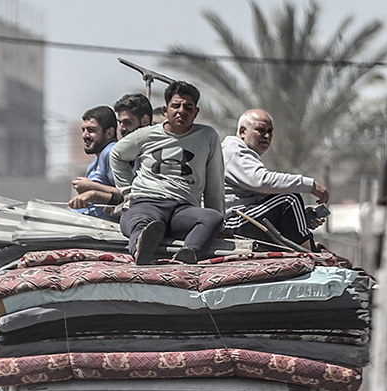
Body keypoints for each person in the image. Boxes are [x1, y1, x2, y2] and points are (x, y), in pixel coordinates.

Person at [105, 80, 225, 265]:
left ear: (196, 113)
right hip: (147, 202)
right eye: (176, 106)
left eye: (188, 107)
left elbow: (214, 183)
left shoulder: (207, 136)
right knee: (139, 223)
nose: (181, 111)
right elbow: (117, 154)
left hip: (183, 209)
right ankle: (140, 249)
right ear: (165, 110)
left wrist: (217, 222)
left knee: (212, 218)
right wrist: (127, 190)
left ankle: (189, 253)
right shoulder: (146, 135)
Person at [222, 109, 330, 249]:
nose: (267, 136)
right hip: (232, 222)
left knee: (289, 204)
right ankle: (310, 253)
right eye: (260, 130)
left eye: (270, 131)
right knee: (289, 199)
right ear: (243, 131)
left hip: (245, 217)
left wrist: (300, 218)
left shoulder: (244, 154)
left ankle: (307, 245)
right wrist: (310, 185)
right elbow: (263, 181)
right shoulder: (234, 151)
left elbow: (262, 195)